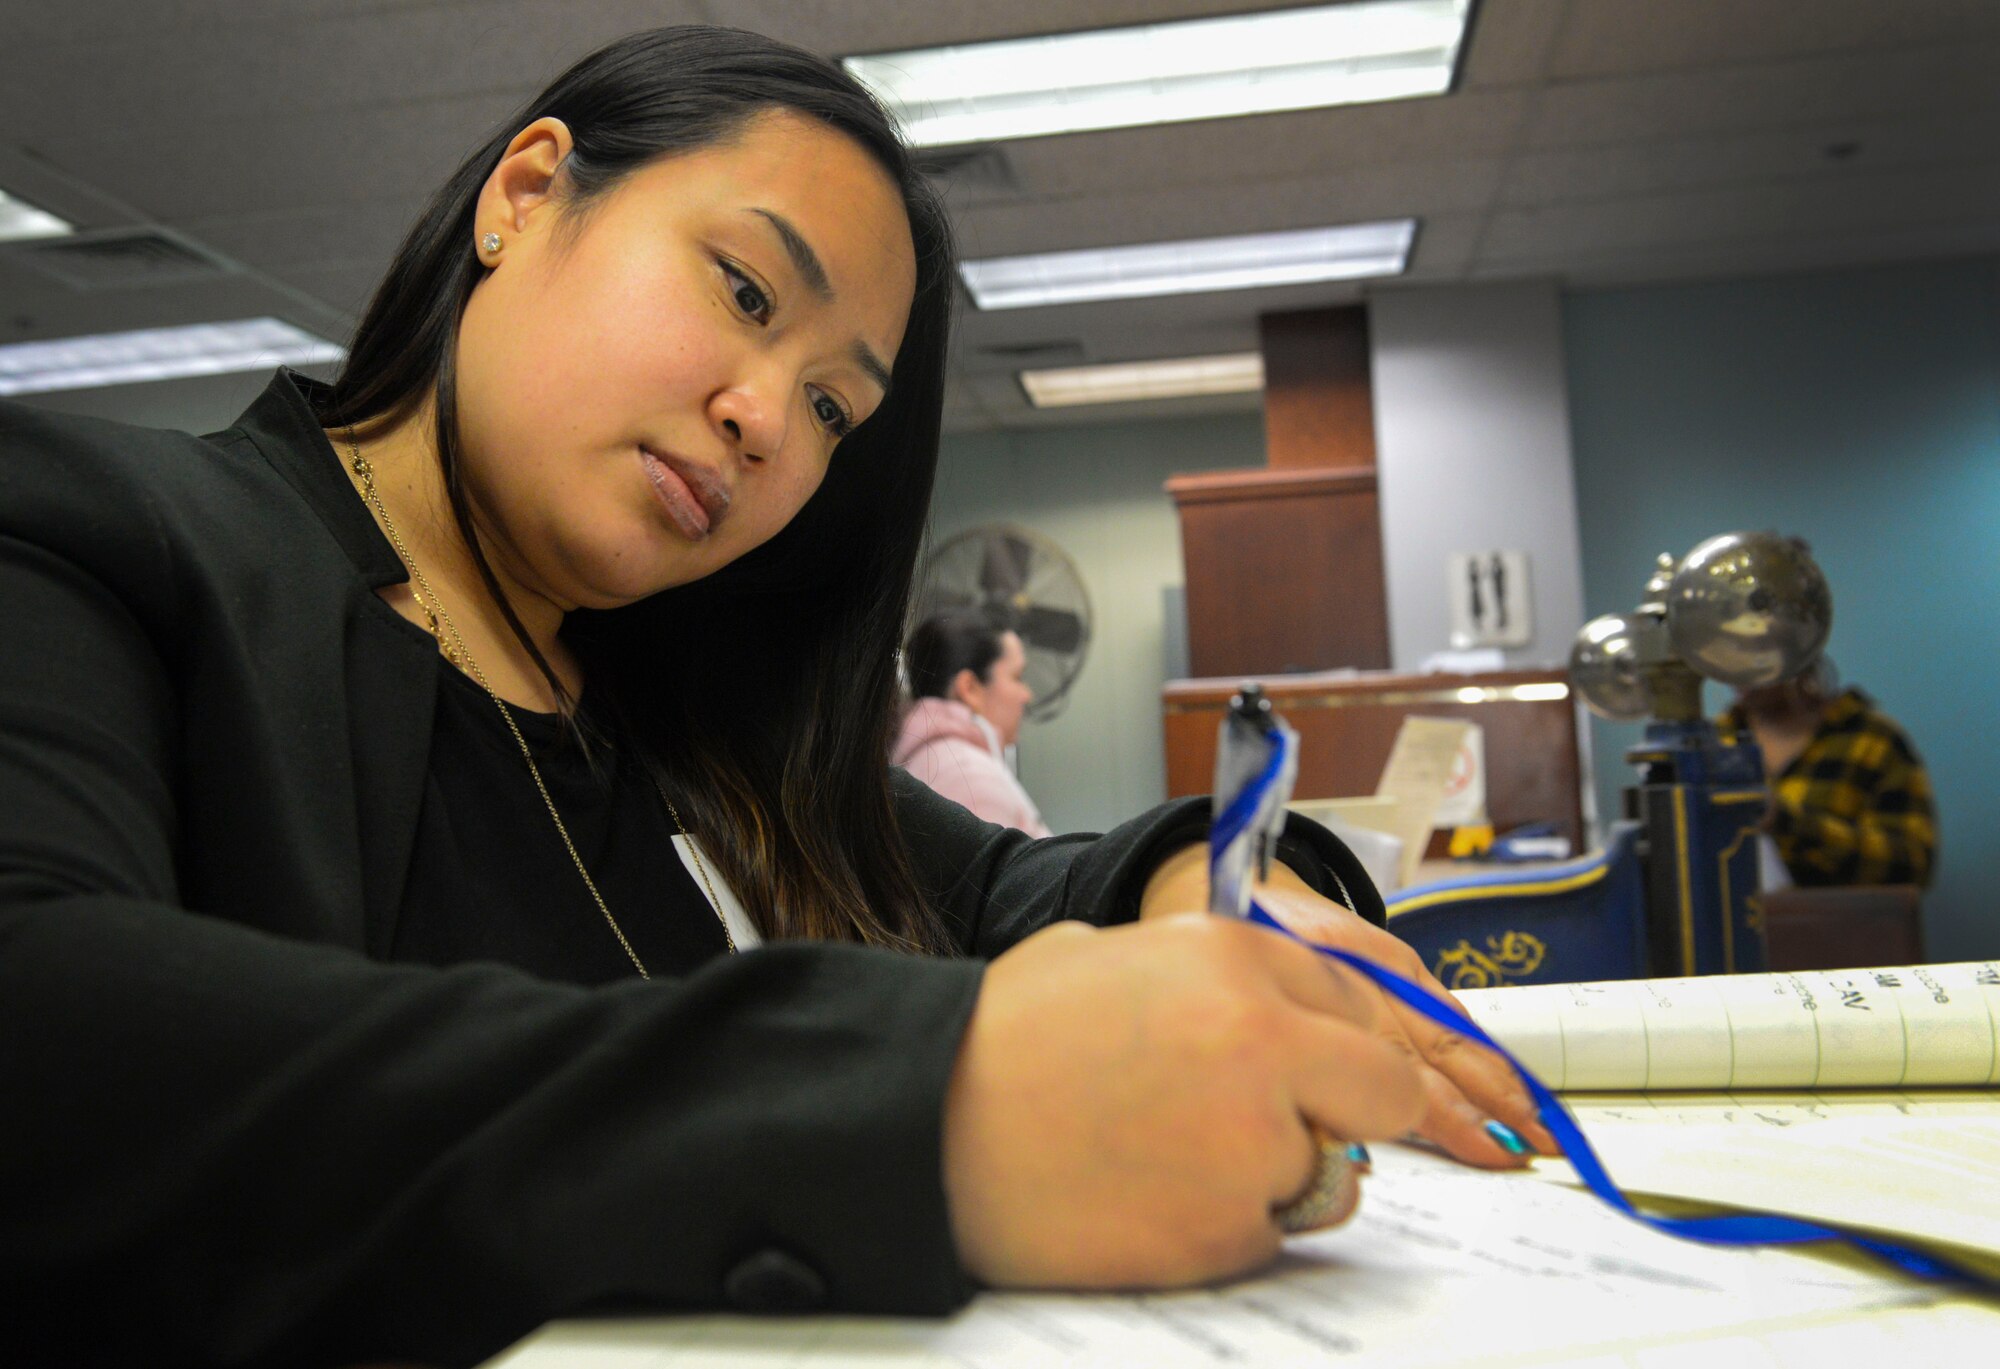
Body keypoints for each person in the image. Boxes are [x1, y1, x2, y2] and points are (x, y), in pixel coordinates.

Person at [0, 26, 1552, 1369]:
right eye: (745, 292)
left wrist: (1201, 886)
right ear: (526, 196)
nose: (766, 425)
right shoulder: (98, 535)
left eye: (832, 407)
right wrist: (914, 1109)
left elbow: (1005, 881)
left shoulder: (669, 722)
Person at [1719, 657, 1937, 887]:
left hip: (1842, 920)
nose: (1737, 669)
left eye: (1758, 652)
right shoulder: (1712, 740)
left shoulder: (1873, 738)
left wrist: (1786, 822)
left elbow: (1914, 866)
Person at [894, 611, 1052, 837]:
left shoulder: (940, 763)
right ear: (970, 689)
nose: (1027, 695)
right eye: (1017, 677)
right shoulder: (967, 775)